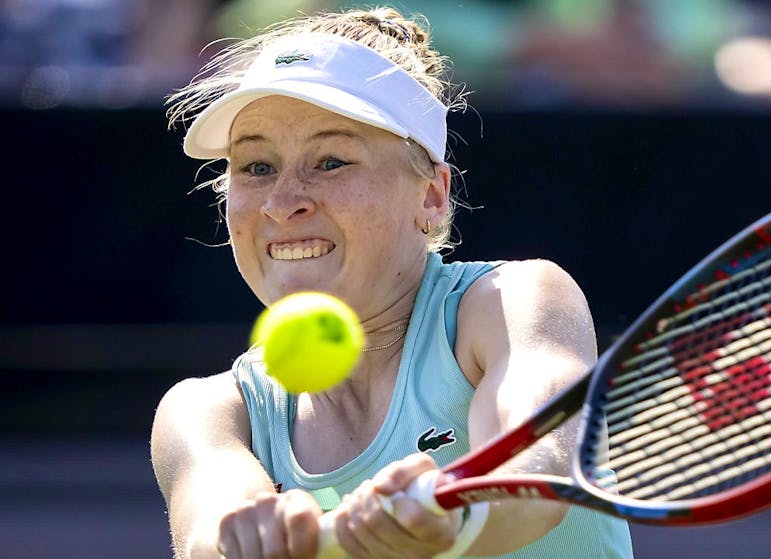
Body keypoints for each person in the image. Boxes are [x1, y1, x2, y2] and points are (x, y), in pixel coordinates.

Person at [150, 6, 634, 559]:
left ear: (431, 195)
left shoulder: (514, 302)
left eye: (331, 161)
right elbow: (209, 533)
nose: (283, 204)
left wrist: (447, 518)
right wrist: (251, 539)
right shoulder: (206, 412)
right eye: (257, 168)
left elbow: (540, 467)